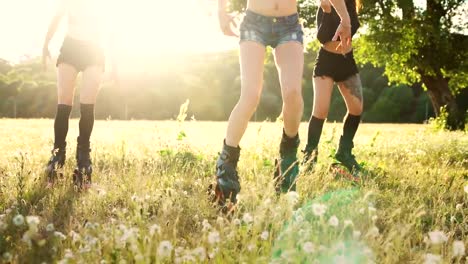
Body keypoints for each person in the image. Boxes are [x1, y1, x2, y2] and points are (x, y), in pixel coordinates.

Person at [213, 0, 352, 209]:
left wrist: (345, 18)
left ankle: (286, 159)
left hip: (289, 25)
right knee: (251, 95)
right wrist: (221, 12)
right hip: (254, 23)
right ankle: (226, 170)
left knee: (293, 93)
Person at [43, 0, 117, 189]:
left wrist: (114, 63)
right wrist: (45, 45)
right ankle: (57, 155)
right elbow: (56, 18)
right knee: (64, 102)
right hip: (71, 48)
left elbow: (111, 29)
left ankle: (83, 158)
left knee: (87, 104)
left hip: (94, 51)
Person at [303, 0, 363, 174]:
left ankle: (344, 152)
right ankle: (309, 157)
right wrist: (333, 14)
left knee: (356, 108)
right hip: (326, 61)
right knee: (321, 110)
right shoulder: (327, 3)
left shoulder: (352, 4)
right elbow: (322, 35)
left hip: (347, 60)